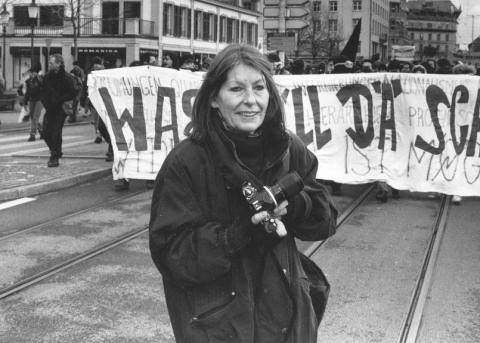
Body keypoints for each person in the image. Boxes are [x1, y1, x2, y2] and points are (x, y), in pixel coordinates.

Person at [149, 44, 338, 343]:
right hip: (219, 326)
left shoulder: (289, 148)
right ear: (214, 98)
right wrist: (237, 235)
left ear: (270, 95)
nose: (251, 101)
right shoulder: (186, 162)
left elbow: (325, 221)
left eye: (259, 88)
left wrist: (297, 205)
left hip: (287, 320)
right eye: (236, 89)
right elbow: (172, 253)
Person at [40, 54, 77, 167]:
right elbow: (43, 91)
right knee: (45, 132)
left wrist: (60, 100)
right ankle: (56, 151)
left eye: (51, 63)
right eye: (49, 63)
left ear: (59, 64)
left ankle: (54, 156)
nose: (49, 65)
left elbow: (73, 92)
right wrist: (46, 103)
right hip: (50, 108)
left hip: (61, 108)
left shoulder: (67, 77)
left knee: (56, 132)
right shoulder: (47, 77)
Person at [23, 63, 44, 142]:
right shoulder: (28, 81)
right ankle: (42, 132)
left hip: (39, 100)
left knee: (35, 117)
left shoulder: (40, 79)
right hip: (32, 100)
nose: (31, 74)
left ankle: (32, 134)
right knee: (33, 118)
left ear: (36, 73)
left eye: (32, 73)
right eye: (30, 73)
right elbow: (27, 92)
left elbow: (44, 87)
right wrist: (25, 102)